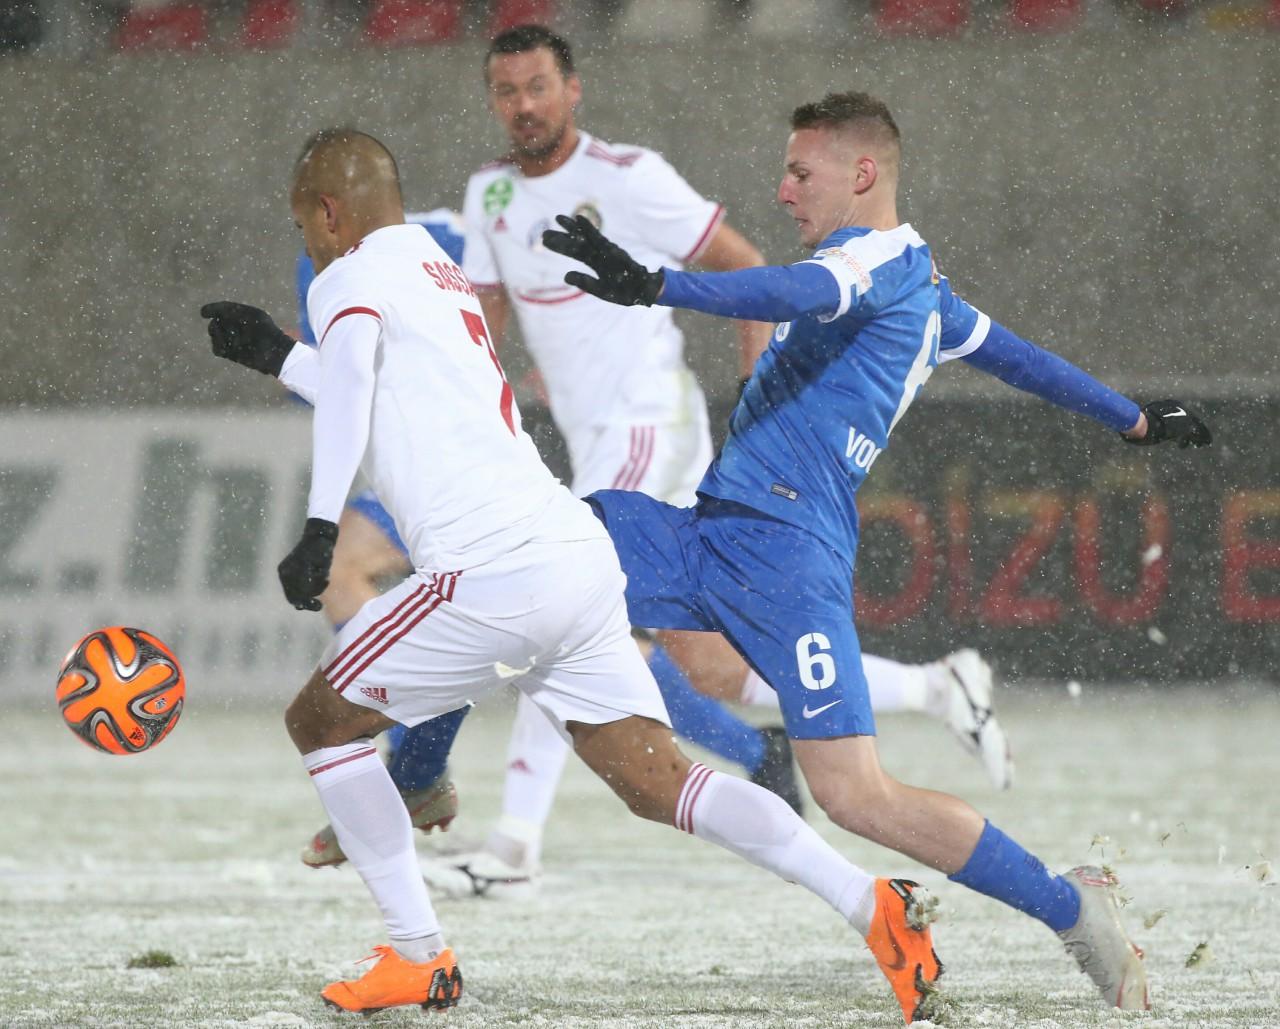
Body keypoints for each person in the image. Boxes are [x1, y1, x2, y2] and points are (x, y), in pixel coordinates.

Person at [199, 127, 948, 1024]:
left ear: (328, 213)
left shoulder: (346, 276)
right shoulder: (436, 272)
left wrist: (321, 524)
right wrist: (277, 354)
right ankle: (873, 903)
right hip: (575, 558)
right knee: (661, 782)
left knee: (320, 723)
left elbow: (356, 390)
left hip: (489, 573)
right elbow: (385, 386)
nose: (308, 243)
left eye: (303, 225)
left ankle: (417, 954)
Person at [540, 91, 1210, 1012]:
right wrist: (1132, 419)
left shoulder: (874, 262)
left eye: (799, 172)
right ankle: (415, 767)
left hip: (789, 564)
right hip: (709, 530)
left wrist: (659, 285)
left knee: (856, 796)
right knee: (545, 550)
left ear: (862, 174)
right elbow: (1020, 359)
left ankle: (1070, 905)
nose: (783, 190)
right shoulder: (925, 293)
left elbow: (791, 291)